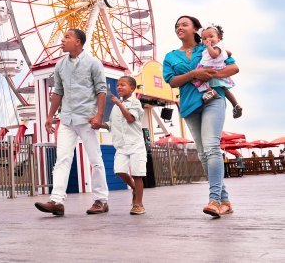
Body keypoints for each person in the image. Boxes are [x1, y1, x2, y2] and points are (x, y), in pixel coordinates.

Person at [163, 15, 239, 218]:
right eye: (177, 25)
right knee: (203, 153)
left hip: (213, 100)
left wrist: (213, 74)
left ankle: (214, 199)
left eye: (184, 24)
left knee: (212, 147)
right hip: (189, 105)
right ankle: (225, 201)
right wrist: (194, 75)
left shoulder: (208, 47)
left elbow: (233, 67)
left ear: (195, 28)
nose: (179, 27)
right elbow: (172, 81)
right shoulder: (170, 56)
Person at [34, 29, 109, 216]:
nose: (62, 39)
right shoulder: (60, 65)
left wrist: (99, 116)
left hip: (87, 118)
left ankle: (101, 200)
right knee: (62, 159)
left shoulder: (93, 63)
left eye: (67, 37)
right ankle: (57, 201)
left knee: (95, 160)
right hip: (66, 119)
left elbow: (101, 90)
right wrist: (50, 115)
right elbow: (58, 92)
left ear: (78, 42)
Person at [98, 76, 147, 215]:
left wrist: (120, 104)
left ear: (132, 88)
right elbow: (111, 125)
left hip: (135, 145)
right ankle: (135, 190)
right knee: (119, 170)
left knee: (137, 174)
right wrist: (99, 124)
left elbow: (131, 119)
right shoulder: (115, 107)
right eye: (118, 85)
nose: (119, 87)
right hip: (121, 146)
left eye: (123, 85)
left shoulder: (135, 103)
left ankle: (139, 204)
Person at [193, 24, 243, 118]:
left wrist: (209, 47)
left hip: (210, 68)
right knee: (224, 88)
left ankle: (210, 91)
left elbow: (214, 55)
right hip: (217, 69)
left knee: (195, 78)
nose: (208, 40)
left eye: (211, 36)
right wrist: (226, 53)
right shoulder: (220, 47)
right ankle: (235, 105)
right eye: (204, 38)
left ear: (219, 37)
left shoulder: (215, 47)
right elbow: (228, 53)